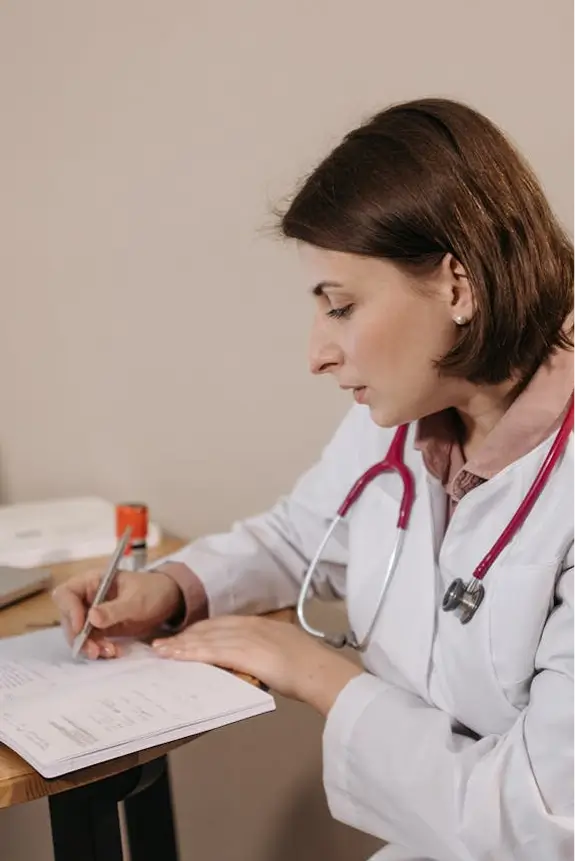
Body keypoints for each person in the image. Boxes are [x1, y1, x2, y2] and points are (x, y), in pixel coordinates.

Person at [53, 98, 575, 861]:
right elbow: (306, 532)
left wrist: (315, 673)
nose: (316, 354)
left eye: (340, 306)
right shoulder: (405, 418)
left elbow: (538, 819)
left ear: (457, 286)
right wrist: (172, 587)